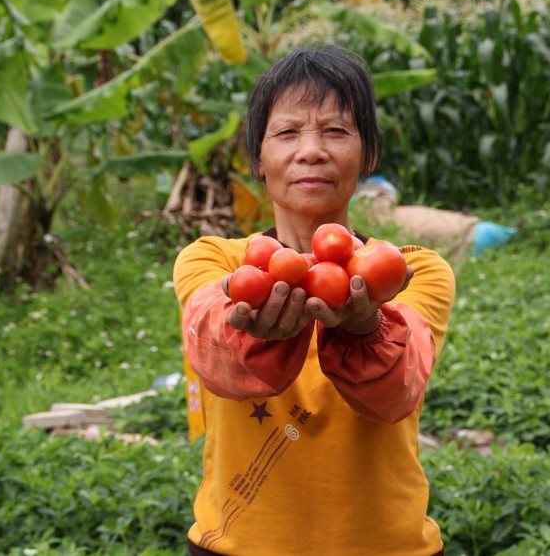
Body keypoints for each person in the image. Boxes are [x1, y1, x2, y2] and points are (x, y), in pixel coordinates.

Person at [173, 46, 455, 556]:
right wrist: (247, 332)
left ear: (368, 154)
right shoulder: (213, 261)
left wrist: (365, 328)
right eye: (286, 133)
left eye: (335, 131)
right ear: (258, 158)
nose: (311, 151)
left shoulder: (410, 271)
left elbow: (396, 391)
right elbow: (214, 352)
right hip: (237, 546)